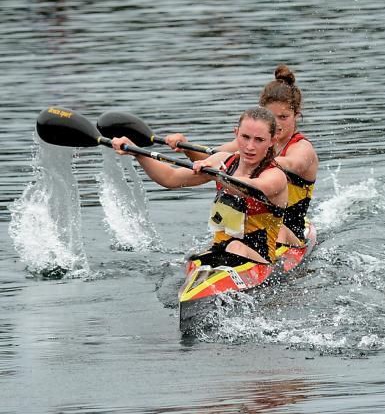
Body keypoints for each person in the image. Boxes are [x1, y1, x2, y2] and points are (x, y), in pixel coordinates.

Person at [111, 107, 288, 266]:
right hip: (220, 251)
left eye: (259, 140)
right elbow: (170, 178)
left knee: (235, 247)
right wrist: (136, 152)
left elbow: (247, 187)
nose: (250, 146)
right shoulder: (222, 161)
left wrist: (216, 174)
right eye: (245, 137)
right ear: (236, 134)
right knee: (198, 257)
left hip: (259, 259)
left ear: (272, 141)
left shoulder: (275, 176)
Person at [167, 65, 318, 248]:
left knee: (277, 230)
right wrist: (186, 146)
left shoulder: (302, 148)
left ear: (296, 115)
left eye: (284, 117)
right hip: (253, 231)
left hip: (289, 233)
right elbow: (212, 158)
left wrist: (246, 156)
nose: (277, 124)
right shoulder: (252, 144)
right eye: (272, 116)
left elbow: (293, 163)